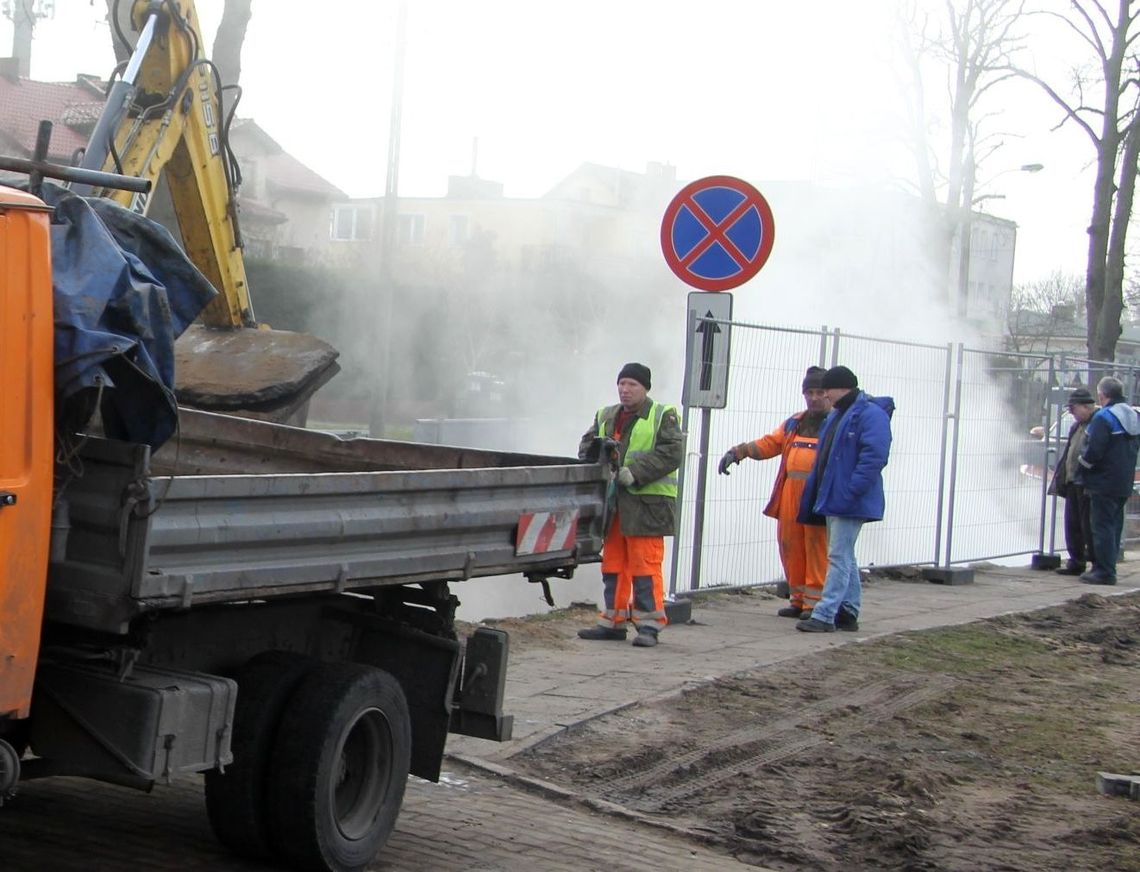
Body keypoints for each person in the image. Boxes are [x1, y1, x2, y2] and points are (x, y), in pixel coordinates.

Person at [577, 362, 683, 647]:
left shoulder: (663, 415)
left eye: (632, 385)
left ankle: (649, 625)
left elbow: (672, 453)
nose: (625, 390)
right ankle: (613, 620)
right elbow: (586, 448)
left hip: (647, 507)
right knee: (613, 564)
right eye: (622, 383)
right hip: (614, 508)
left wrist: (634, 472)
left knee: (645, 566)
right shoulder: (606, 415)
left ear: (645, 388)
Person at [717, 366, 832, 618]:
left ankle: (816, 604)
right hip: (790, 493)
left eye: (819, 392)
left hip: (818, 494)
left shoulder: (835, 423)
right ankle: (798, 599)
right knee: (790, 545)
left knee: (817, 548)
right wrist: (739, 452)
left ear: (829, 394)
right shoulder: (795, 423)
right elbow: (769, 444)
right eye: (809, 392)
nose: (813, 397)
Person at [795, 365, 894, 633]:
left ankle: (825, 614)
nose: (824, 396)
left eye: (827, 390)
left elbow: (874, 456)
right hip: (838, 496)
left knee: (837, 555)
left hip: (848, 498)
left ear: (841, 388)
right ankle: (848, 610)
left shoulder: (868, 415)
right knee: (845, 555)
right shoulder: (842, 414)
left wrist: (852, 490)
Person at [1074, 376, 1140, 585]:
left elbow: (1093, 451)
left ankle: (1103, 571)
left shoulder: (1103, 418)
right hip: (1123, 481)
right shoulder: (1133, 416)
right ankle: (1109, 567)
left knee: (1101, 526)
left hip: (1102, 482)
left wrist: (1082, 470)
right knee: (1114, 526)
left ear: (1102, 395)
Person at [1048, 387, 1097, 576]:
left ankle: (1094, 563)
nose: (1072, 413)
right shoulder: (1076, 426)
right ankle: (1076, 561)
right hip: (1072, 481)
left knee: (1087, 525)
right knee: (1072, 524)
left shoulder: (1096, 425)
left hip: (1085, 482)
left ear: (1086, 407)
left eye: (1073, 408)